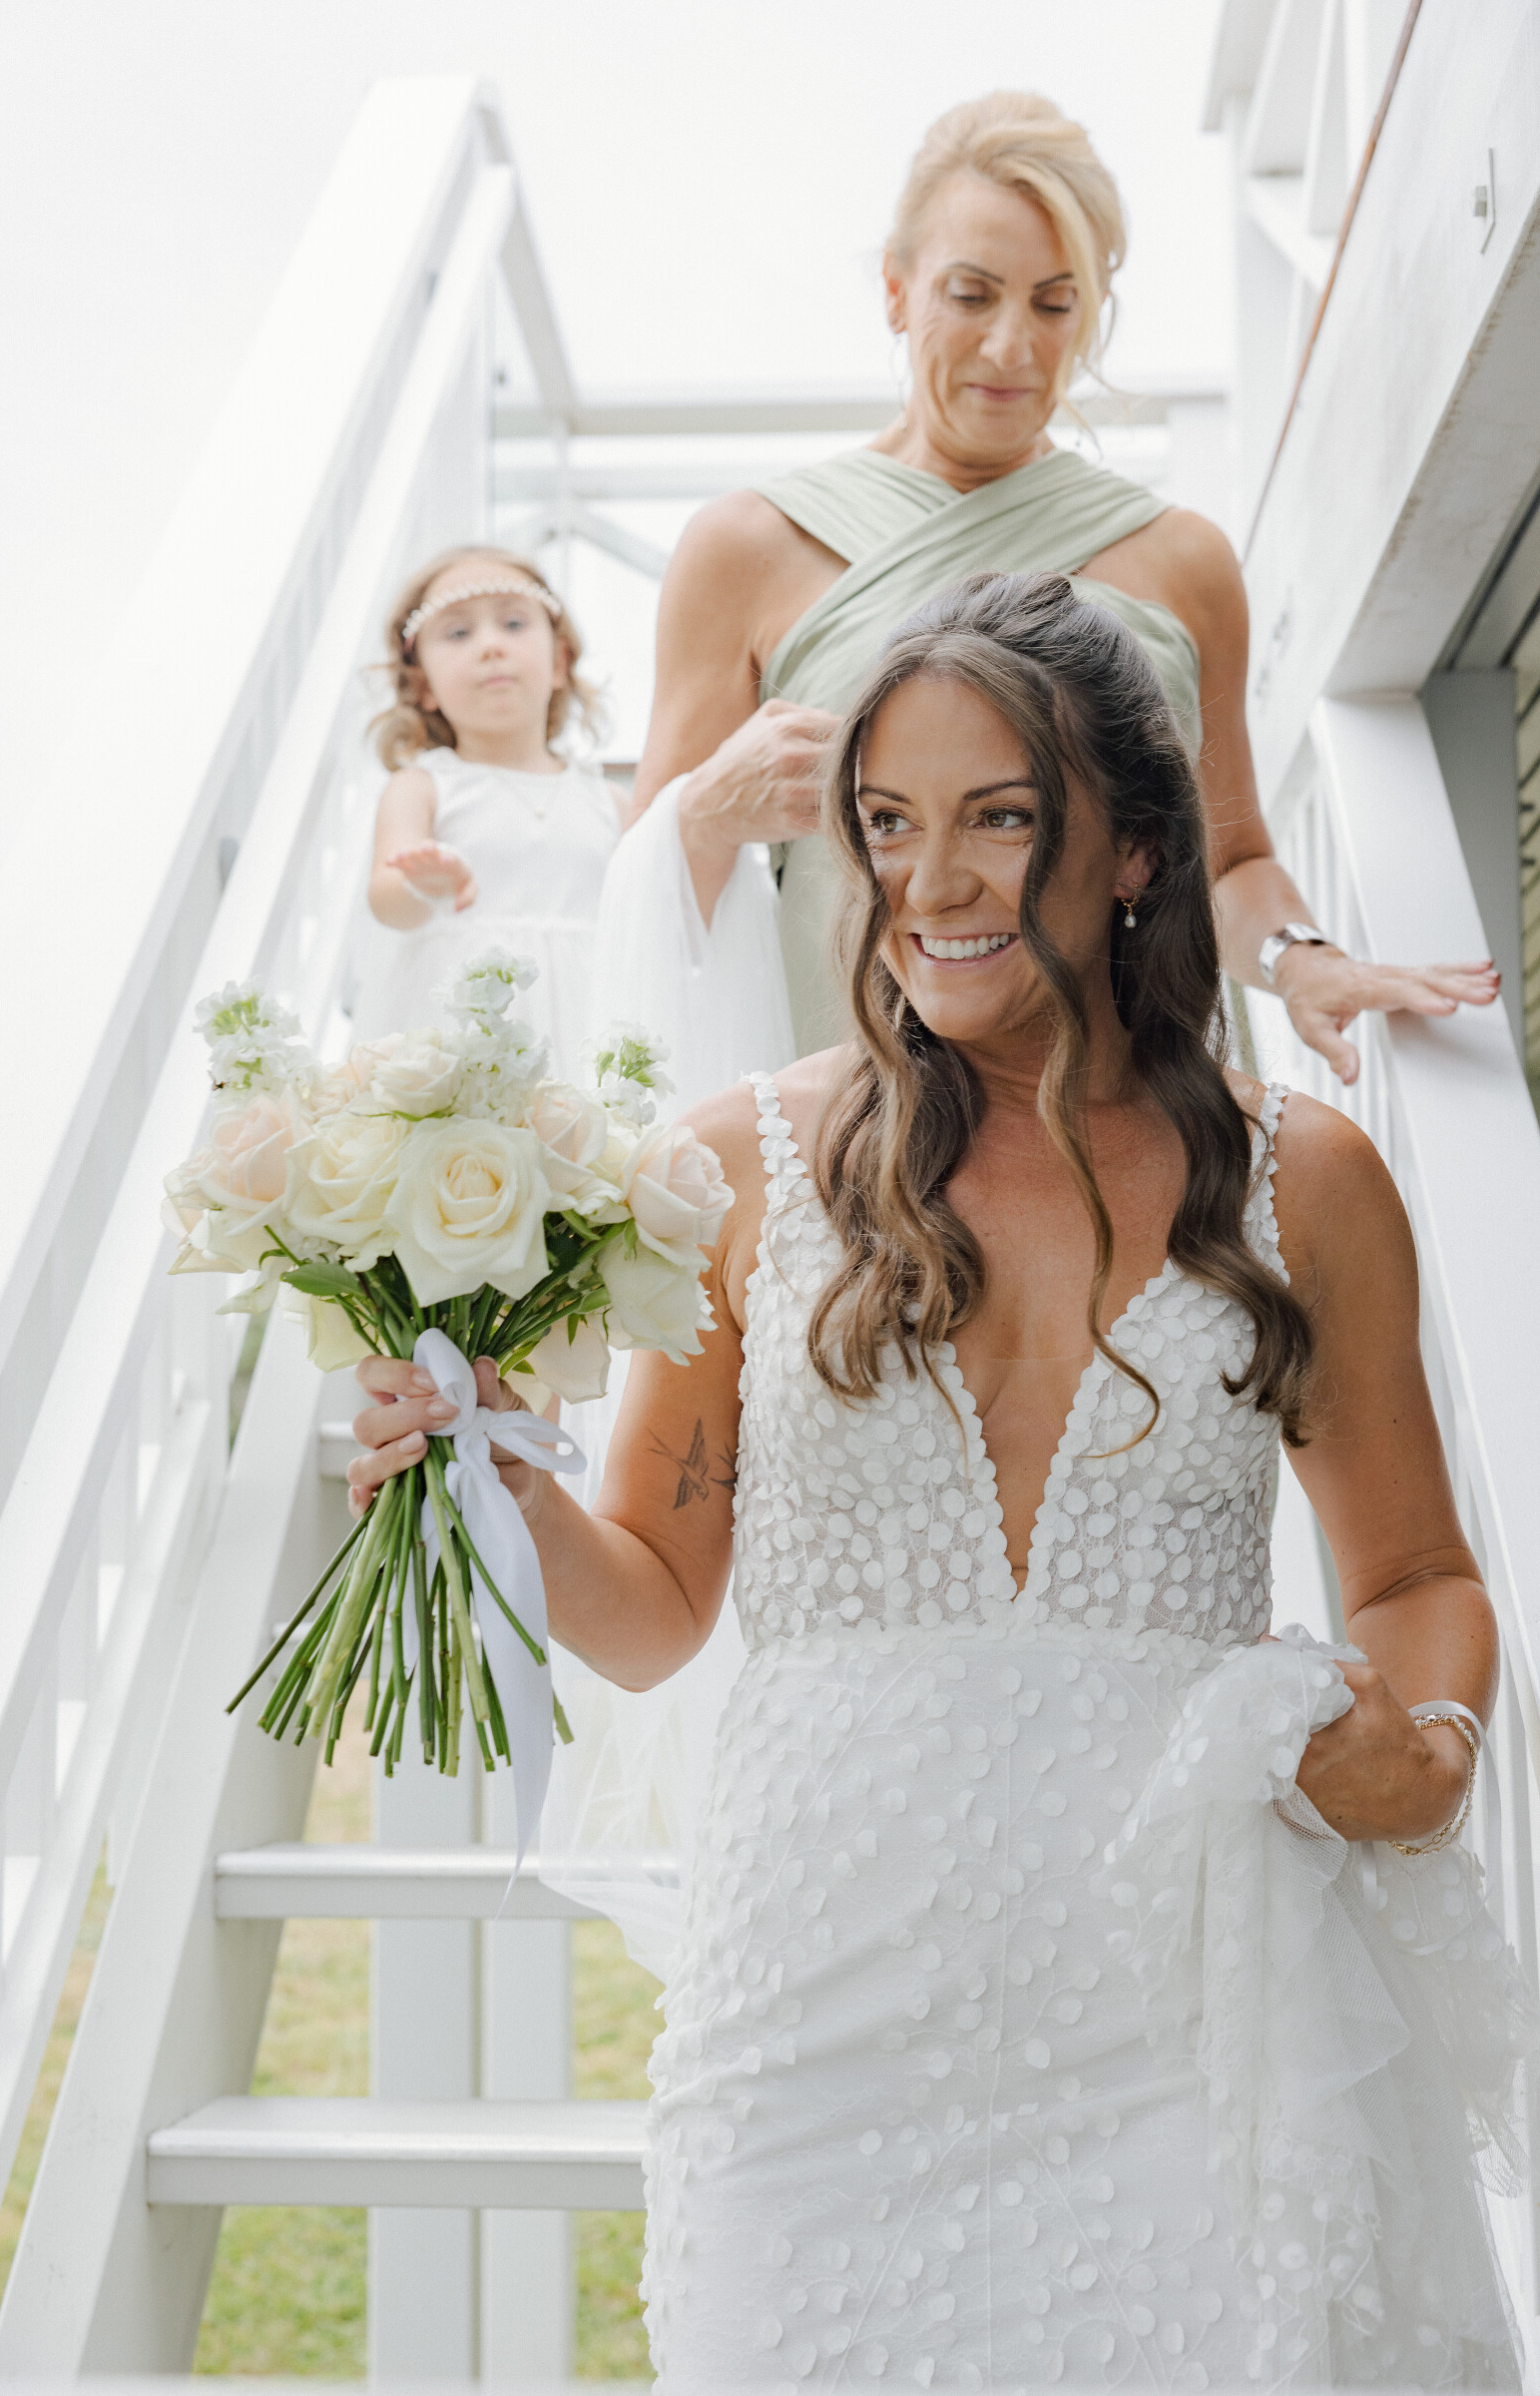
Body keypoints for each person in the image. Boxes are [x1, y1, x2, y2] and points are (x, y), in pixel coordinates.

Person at [349, 573, 1532, 2387]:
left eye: (1002, 818)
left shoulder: (1306, 1177)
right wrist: (490, 1481)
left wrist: (1428, 1750)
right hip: (808, 2032)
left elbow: (1415, 1579)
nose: (933, 882)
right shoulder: (736, 1163)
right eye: (890, 822)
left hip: (1186, 2015)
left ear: (1135, 850)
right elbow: (655, 1613)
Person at [599, 91, 1497, 1095]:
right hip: (861, 1108)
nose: (1011, 347)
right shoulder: (747, 550)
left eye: (1053, 303)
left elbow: (1226, 863)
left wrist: (1301, 960)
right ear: (896, 290)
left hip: (1124, 1100)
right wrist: (706, 807)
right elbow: (644, 892)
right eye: (970, 294)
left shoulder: (1183, 563)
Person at [351, 545, 622, 1069]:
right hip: (461, 1048)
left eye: (514, 623)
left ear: (559, 663)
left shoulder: (608, 802)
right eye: (458, 633)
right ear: (423, 685)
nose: (491, 646)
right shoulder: (422, 788)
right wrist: (422, 883)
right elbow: (386, 900)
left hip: (588, 1032)